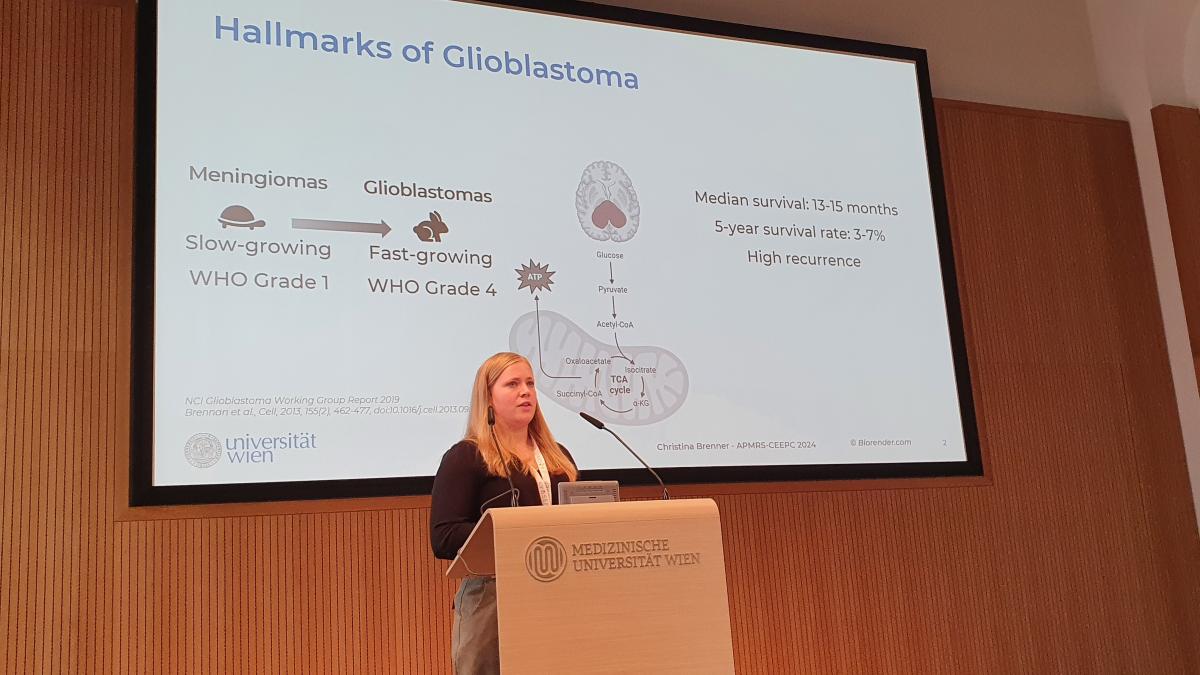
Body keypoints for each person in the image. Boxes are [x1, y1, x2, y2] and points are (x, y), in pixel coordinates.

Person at [429, 352, 579, 675]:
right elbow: (443, 536)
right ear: (488, 399)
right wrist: (510, 533)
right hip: (492, 598)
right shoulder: (466, 457)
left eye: (530, 383)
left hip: (557, 589)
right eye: (512, 384)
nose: (525, 391)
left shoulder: (559, 458)